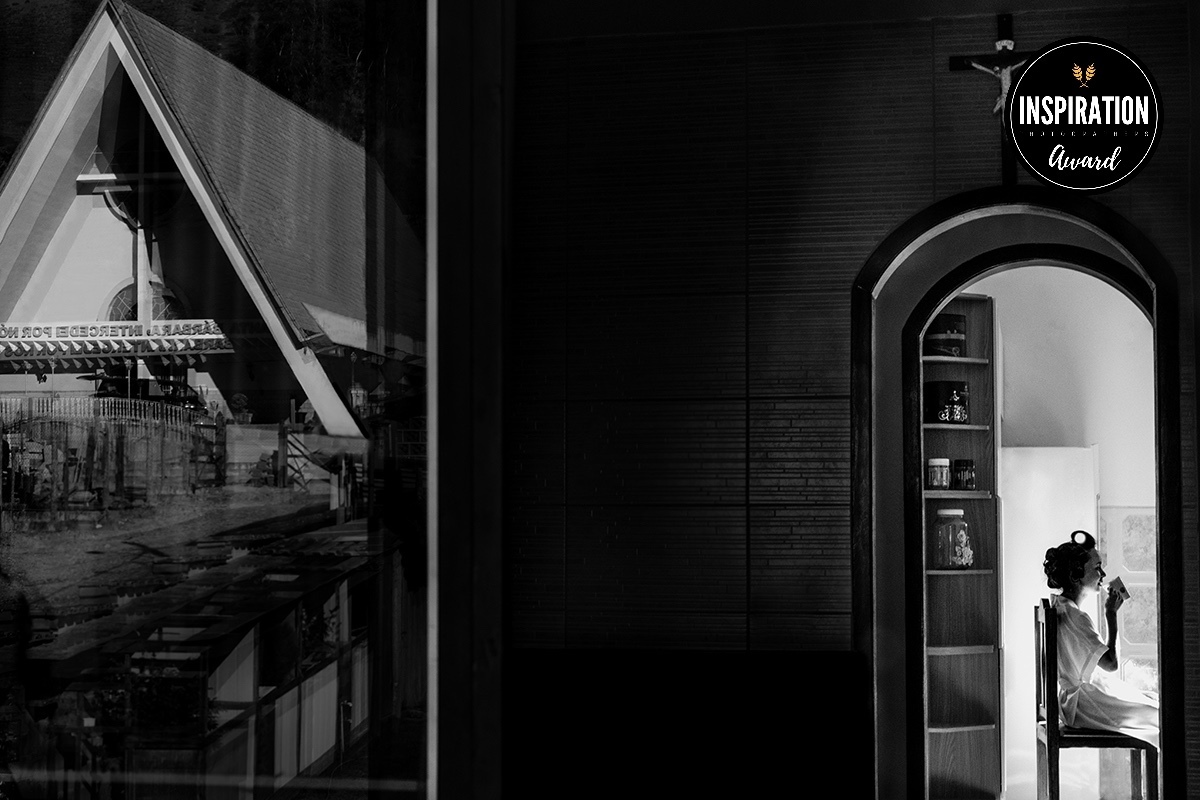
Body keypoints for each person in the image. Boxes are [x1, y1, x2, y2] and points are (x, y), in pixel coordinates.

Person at [1043, 530, 1159, 748]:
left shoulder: (1062, 607)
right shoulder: (1076, 617)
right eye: (1097, 568)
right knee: (1161, 716)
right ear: (1076, 576)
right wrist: (1111, 615)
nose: (1103, 574)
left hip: (1074, 702)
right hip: (1081, 706)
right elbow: (1111, 664)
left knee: (1152, 700)